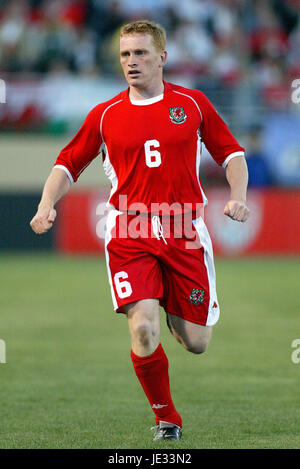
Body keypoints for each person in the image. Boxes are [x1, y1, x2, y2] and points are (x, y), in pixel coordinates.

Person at [30, 20, 250, 441]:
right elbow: (66, 164)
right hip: (129, 231)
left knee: (197, 342)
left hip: (185, 231)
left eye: (141, 53)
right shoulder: (105, 114)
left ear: (162, 58)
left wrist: (237, 194)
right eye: (126, 54)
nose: (132, 62)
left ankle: (167, 302)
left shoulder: (193, 104)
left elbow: (232, 154)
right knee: (143, 327)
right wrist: (46, 203)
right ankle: (167, 420)